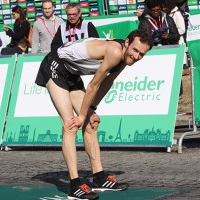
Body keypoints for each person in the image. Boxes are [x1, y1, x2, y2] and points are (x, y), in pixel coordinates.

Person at [35, 29, 153, 200]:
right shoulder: (114, 51)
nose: (136, 56)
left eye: (141, 54)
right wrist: (82, 116)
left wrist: (92, 109)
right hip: (54, 65)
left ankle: (99, 178)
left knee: (92, 123)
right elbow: (93, 86)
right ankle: (75, 186)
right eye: (135, 50)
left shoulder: (125, 58)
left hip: (71, 72)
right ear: (126, 43)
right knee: (71, 124)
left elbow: (108, 82)